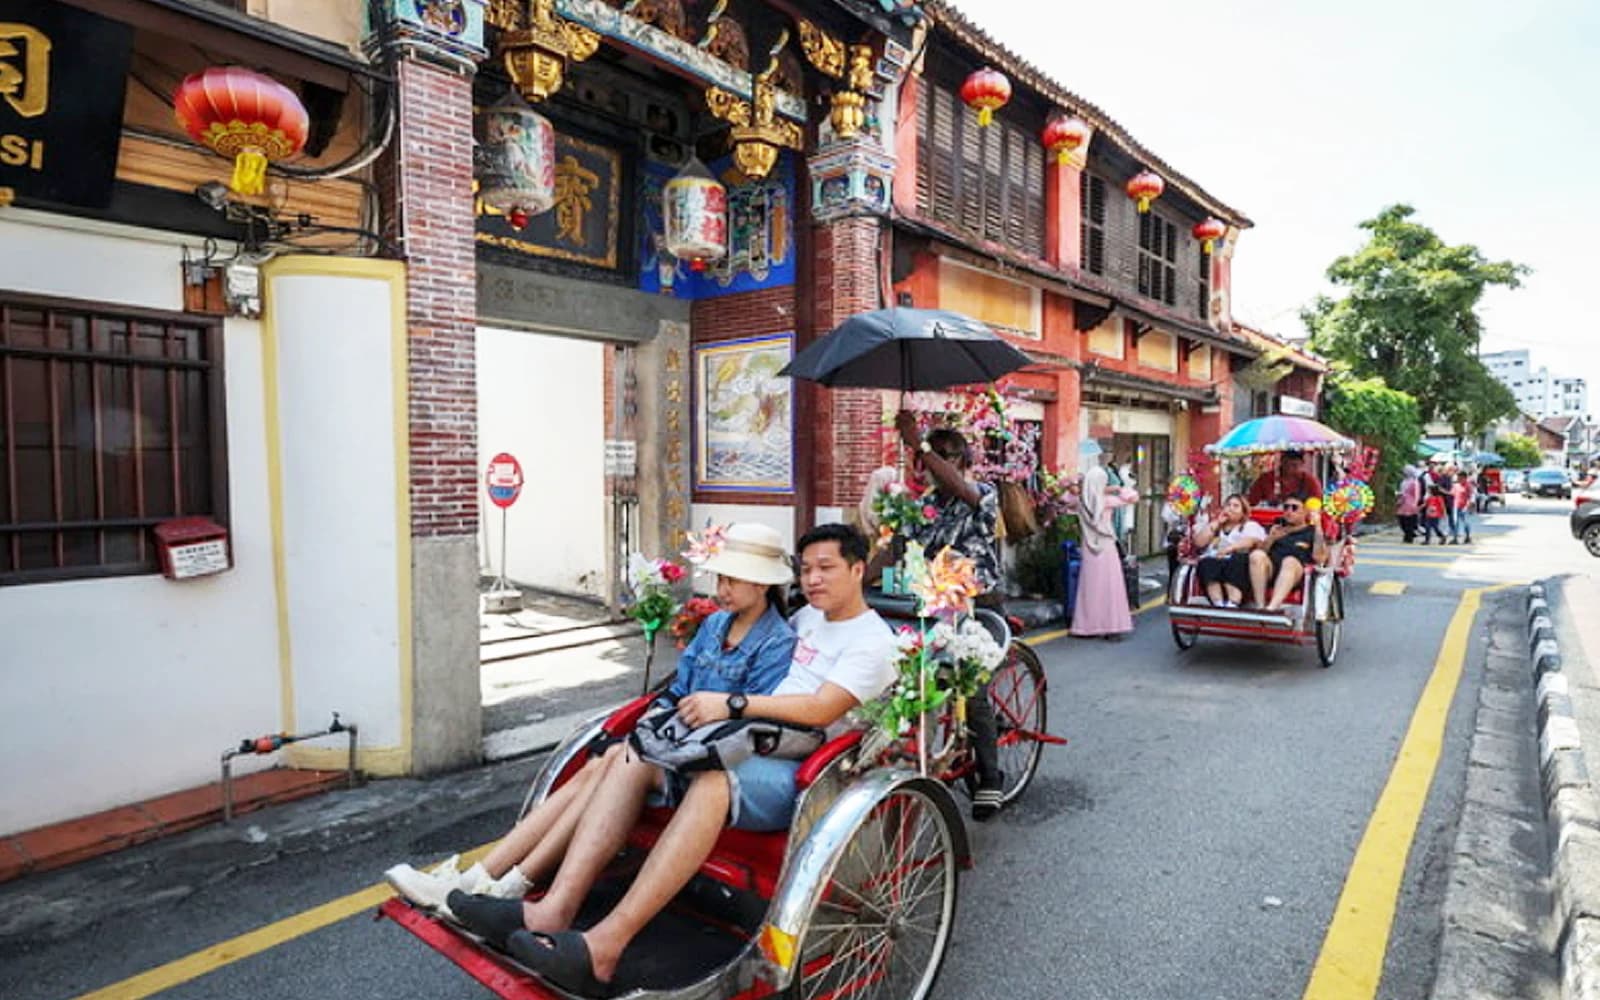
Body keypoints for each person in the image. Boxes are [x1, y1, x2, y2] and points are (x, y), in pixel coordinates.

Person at [446, 524, 897, 995]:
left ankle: (607, 943)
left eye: (826, 568)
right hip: (744, 739)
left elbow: (823, 708)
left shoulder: (871, 641)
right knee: (634, 753)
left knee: (712, 780)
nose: (813, 580)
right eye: (805, 570)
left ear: (858, 569)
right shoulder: (806, 620)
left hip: (800, 766)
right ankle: (555, 907)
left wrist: (735, 704)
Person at [382, 523, 799, 916]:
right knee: (595, 766)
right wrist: (651, 725)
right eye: (720, 579)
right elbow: (677, 688)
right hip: (670, 742)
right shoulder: (715, 626)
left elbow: (747, 720)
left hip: (709, 759)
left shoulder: (777, 641)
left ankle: (503, 882)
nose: (720, 589)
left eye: (731, 580)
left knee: (612, 765)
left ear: (761, 584)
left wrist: (689, 720)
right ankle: (487, 878)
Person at [888, 412, 1008, 820]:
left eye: (948, 455)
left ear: (963, 460)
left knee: (970, 689)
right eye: (933, 456)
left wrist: (919, 442)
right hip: (929, 605)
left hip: (977, 604)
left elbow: (961, 489)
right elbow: (891, 554)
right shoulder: (922, 507)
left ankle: (990, 778)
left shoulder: (984, 494)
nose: (939, 463)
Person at [1067, 458, 1140, 638]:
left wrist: (1076, 485)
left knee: (1089, 588)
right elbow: (1132, 497)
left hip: (1088, 546)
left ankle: (1086, 627)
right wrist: (1116, 488)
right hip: (1106, 546)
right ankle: (1111, 626)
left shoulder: (1080, 501)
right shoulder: (1106, 500)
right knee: (1110, 587)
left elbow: (1064, 499)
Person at [1247, 494, 1328, 612]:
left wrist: (1318, 527)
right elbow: (1261, 553)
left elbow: (1319, 559)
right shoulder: (1276, 528)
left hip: (1296, 572)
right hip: (1271, 569)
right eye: (1286, 507)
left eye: (1294, 508)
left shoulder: (1312, 532)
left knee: (1289, 561)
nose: (1289, 511)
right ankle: (1260, 605)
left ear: (1305, 512)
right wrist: (1271, 539)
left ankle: (1272, 608)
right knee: (1256, 556)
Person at [1191, 493, 1266, 607]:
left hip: (1238, 561)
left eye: (1235, 506)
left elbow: (1251, 541)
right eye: (1228, 505)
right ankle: (1218, 602)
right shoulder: (1216, 527)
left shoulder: (1250, 526)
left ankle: (1233, 602)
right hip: (1216, 560)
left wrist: (1230, 549)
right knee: (1207, 562)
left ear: (1243, 512)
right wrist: (1217, 523)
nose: (1230, 508)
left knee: (1236, 561)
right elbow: (1199, 542)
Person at [1246, 450, 1324, 508]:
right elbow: (1252, 502)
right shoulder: (1265, 479)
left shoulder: (1310, 481)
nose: (1290, 469)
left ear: (1302, 464)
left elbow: (1316, 504)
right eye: (1287, 464)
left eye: (1295, 465)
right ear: (1281, 462)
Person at [1396, 465, 1422, 544]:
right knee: (1402, 520)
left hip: (1411, 503)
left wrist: (1415, 503)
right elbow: (1402, 491)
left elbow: (1417, 494)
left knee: (1409, 521)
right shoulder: (1404, 481)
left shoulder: (1415, 482)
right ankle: (1408, 534)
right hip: (1403, 502)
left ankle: (1408, 537)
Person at [1451, 471, 1476, 544]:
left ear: (1465, 478)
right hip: (1456, 506)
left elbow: (1471, 496)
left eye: (1460, 478)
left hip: (1465, 507)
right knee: (1455, 522)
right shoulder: (1456, 485)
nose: (1459, 479)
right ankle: (1455, 538)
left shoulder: (1468, 486)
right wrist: (1441, 490)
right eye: (1458, 478)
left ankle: (1467, 537)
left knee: (1465, 523)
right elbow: (1452, 493)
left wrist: (1469, 505)